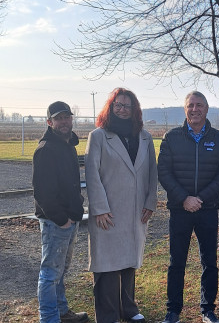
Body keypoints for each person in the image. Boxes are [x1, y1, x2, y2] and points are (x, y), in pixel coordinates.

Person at [157, 91, 219, 323]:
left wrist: (200, 198)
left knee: (209, 262)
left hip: (207, 210)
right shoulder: (171, 138)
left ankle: (208, 310)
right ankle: (173, 311)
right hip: (180, 210)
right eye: (190, 105)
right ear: (185, 109)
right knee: (176, 262)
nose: (194, 109)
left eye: (199, 105)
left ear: (207, 109)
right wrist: (184, 199)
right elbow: (164, 172)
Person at [85, 88, 158, 323]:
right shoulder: (98, 136)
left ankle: (128, 308)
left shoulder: (145, 137)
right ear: (111, 106)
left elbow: (152, 173)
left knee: (129, 261)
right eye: (118, 105)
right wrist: (99, 208)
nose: (122, 109)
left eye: (127, 105)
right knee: (106, 265)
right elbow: (92, 174)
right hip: (108, 211)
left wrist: (151, 201)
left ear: (134, 109)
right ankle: (108, 315)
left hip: (137, 210)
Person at [32, 101, 89, 323]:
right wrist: (61, 219)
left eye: (67, 117)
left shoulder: (67, 146)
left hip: (70, 218)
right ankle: (48, 318)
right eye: (58, 118)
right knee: (49, 273)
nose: (64, 122)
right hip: (56, 222)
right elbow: (43, 193)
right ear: (49, 122)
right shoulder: (46, 149)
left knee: (60, 271)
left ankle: (61, 312)